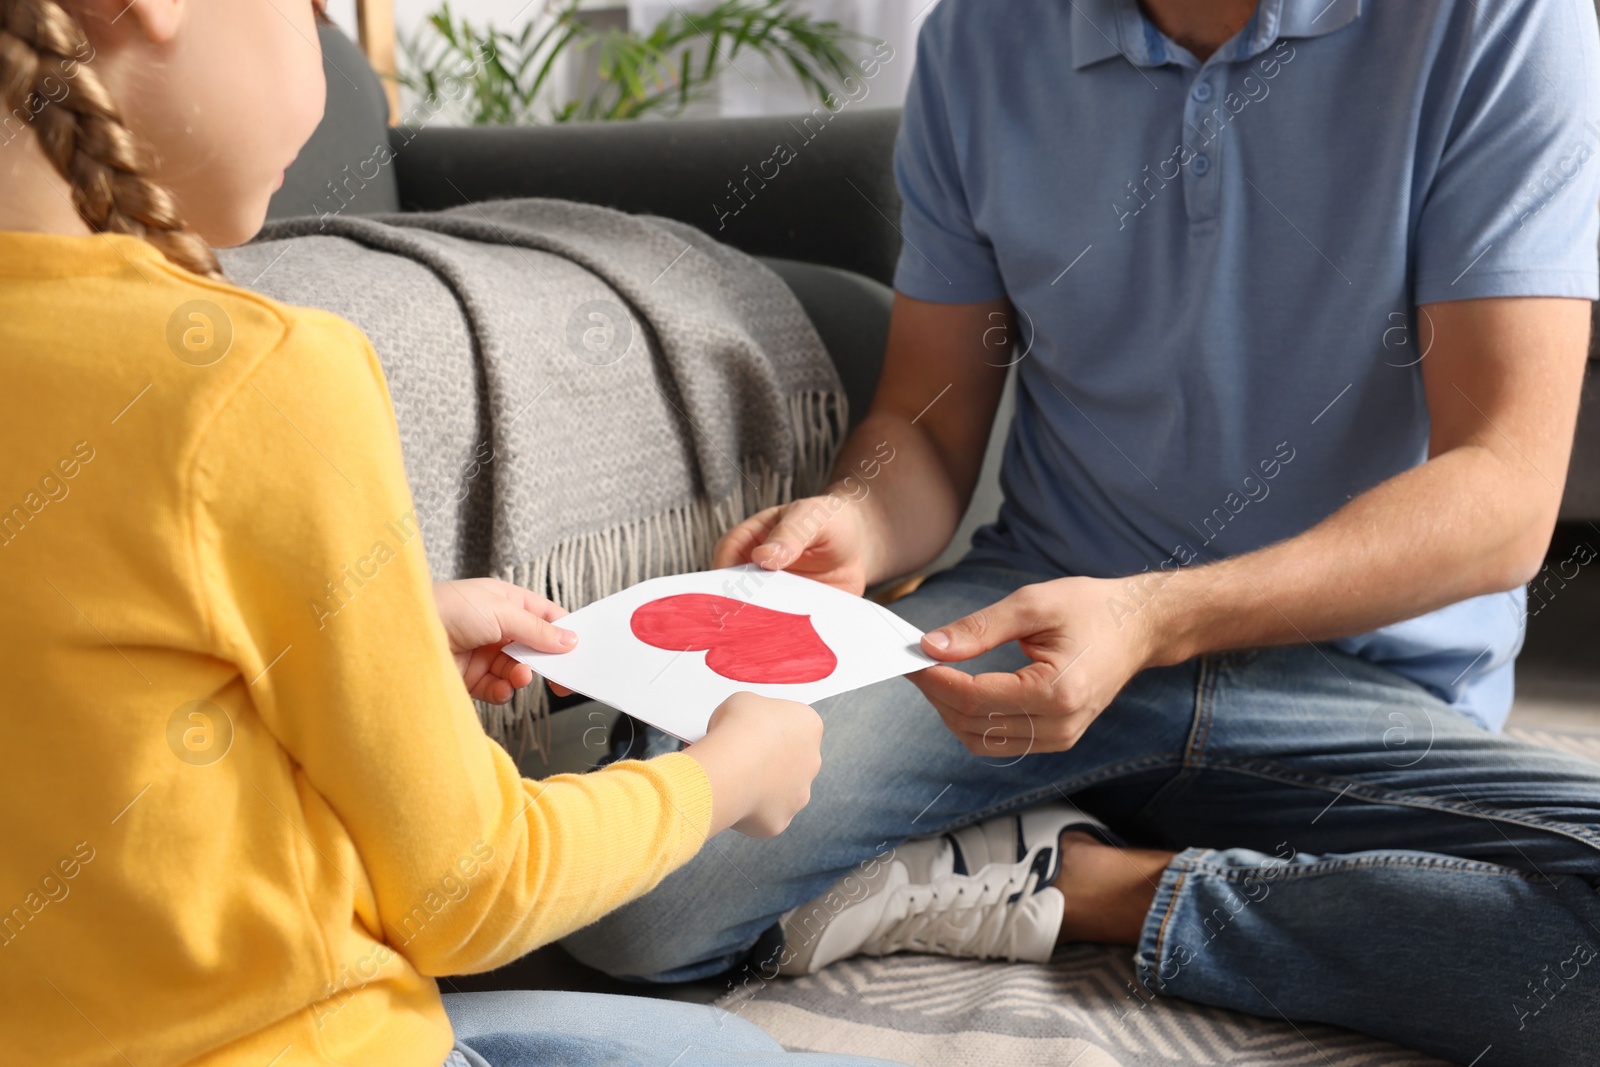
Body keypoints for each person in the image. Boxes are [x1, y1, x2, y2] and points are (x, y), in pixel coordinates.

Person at [562, 0, 1600, 1062]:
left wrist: (1154, 617)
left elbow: (1502, 493)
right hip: (1022, 628)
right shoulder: (978, 36)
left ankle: (1090, 884)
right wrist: (858, 520)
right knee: (628, 897)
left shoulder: (1500, 20)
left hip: (1354, 677)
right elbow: (924, 414)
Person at [0, 3, 908, 1066]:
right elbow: (467, 889)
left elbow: (78, 665)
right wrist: (728, 773)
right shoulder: (260, 378)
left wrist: (389, 622)